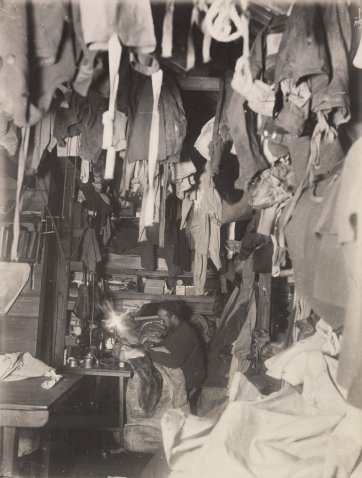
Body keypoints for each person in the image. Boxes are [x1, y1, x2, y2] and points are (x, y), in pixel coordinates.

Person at [147, 301, 206, 395]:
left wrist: (148, 353)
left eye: (164, 320)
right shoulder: (177, 326)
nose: (162, 323)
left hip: (190, 377)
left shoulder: (184, 332)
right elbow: (171, 343)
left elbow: (174, 362)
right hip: (186, 370)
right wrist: (157, 343)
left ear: (173, 317)